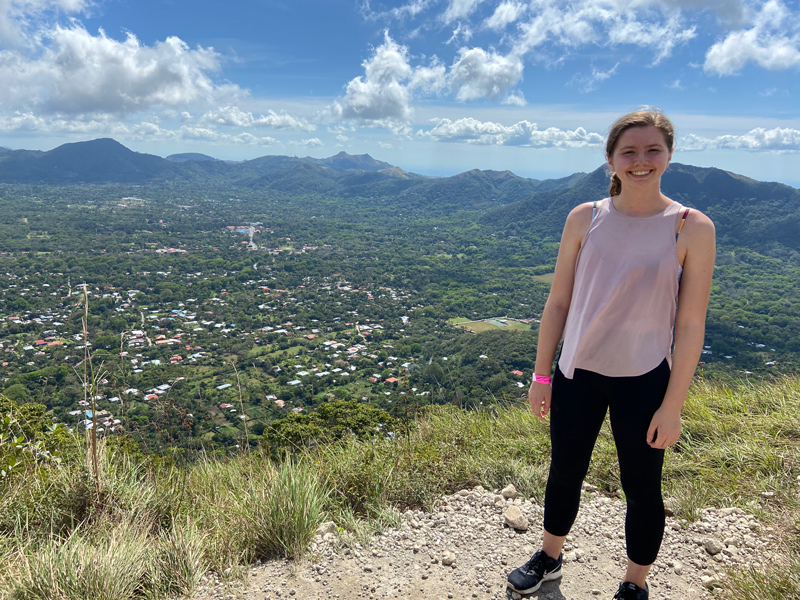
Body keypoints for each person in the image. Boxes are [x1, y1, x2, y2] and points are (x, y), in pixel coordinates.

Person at [506, 109, 716, 600]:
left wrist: (673, 405)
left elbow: (690, 324)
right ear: (611, 159)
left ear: (668, 155)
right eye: (629, 151)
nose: (641, 161)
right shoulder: (587, 217)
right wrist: (541, 376)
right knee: (564, 471)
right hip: (577, 370)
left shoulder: (690, 226)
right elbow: (558, 300)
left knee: (642, 488)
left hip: (643, 378)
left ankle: (633, 583)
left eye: (652, 150)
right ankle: (549, 557)